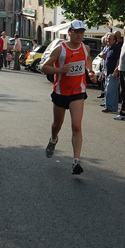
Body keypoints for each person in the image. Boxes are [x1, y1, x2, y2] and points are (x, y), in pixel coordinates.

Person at [41, 20, 96, 175]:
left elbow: (88, 60)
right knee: (57, 124)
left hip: (77, 92)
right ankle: (53, 139)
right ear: (70, 32)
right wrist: (60, 69)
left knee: (76, 126)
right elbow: (43, 67)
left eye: (82, 32)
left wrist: (90, 72)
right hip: (60, 92)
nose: (79, 35)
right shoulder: (60, 49)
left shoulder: (85, 48)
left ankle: (76, 161)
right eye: (76, 32)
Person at [101, 32, 122, 113]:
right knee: (109, 90)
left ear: (115, 40)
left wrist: (116, 70)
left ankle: (110, 107)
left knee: (110, 91)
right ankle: (112, 107)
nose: (108, 40)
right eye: (107, 39)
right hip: (108, 72)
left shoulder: (117, 48)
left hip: (114, 72)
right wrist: (105, 72)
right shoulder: (109, 48)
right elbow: (107, 60)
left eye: (110, 39)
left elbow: (118, 60)